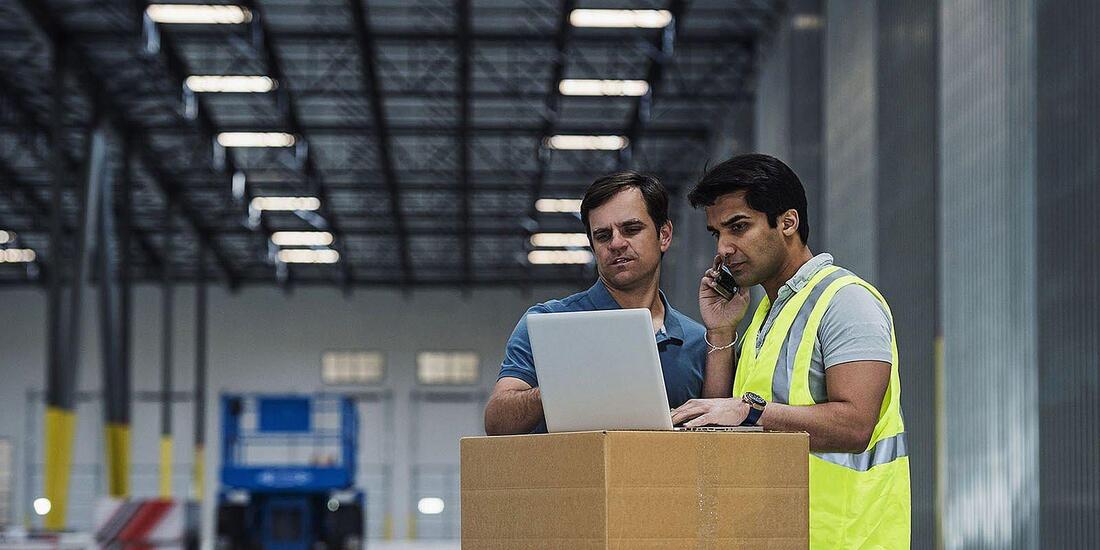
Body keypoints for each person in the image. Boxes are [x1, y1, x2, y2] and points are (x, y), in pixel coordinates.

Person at [672, 154, 911, 548]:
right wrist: (721, 330)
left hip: (844, 538)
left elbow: (855, 426)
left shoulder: (846, 301)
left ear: (787, 222)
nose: (725, 248)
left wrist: (751, 412)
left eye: (738, 227)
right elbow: (719, 427)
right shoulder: (763, 316)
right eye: (716, 233)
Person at [484, 171, 731, 435]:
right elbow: (498, 422)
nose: (616, 243)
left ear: (664, 235)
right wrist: (563, 383)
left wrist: (720, 333)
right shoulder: (547, 323)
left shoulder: (699, 341)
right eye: (603, 235)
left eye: (631, 229)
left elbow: (713, 438)